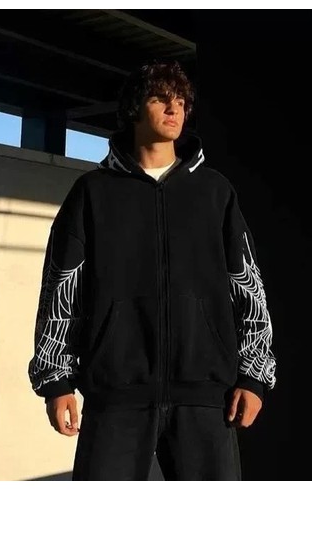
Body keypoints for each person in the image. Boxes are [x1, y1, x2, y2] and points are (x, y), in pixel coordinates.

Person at [28, 60, 276, 480]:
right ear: (133, 108)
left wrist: (254, 377)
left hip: (205, 398)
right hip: (116, 395)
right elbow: (61, 288)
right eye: (160, 98)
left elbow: (248, 287)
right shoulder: (92, 193)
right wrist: (57, 381)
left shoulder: (214, 192)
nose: (174, 108)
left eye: (180, 100)